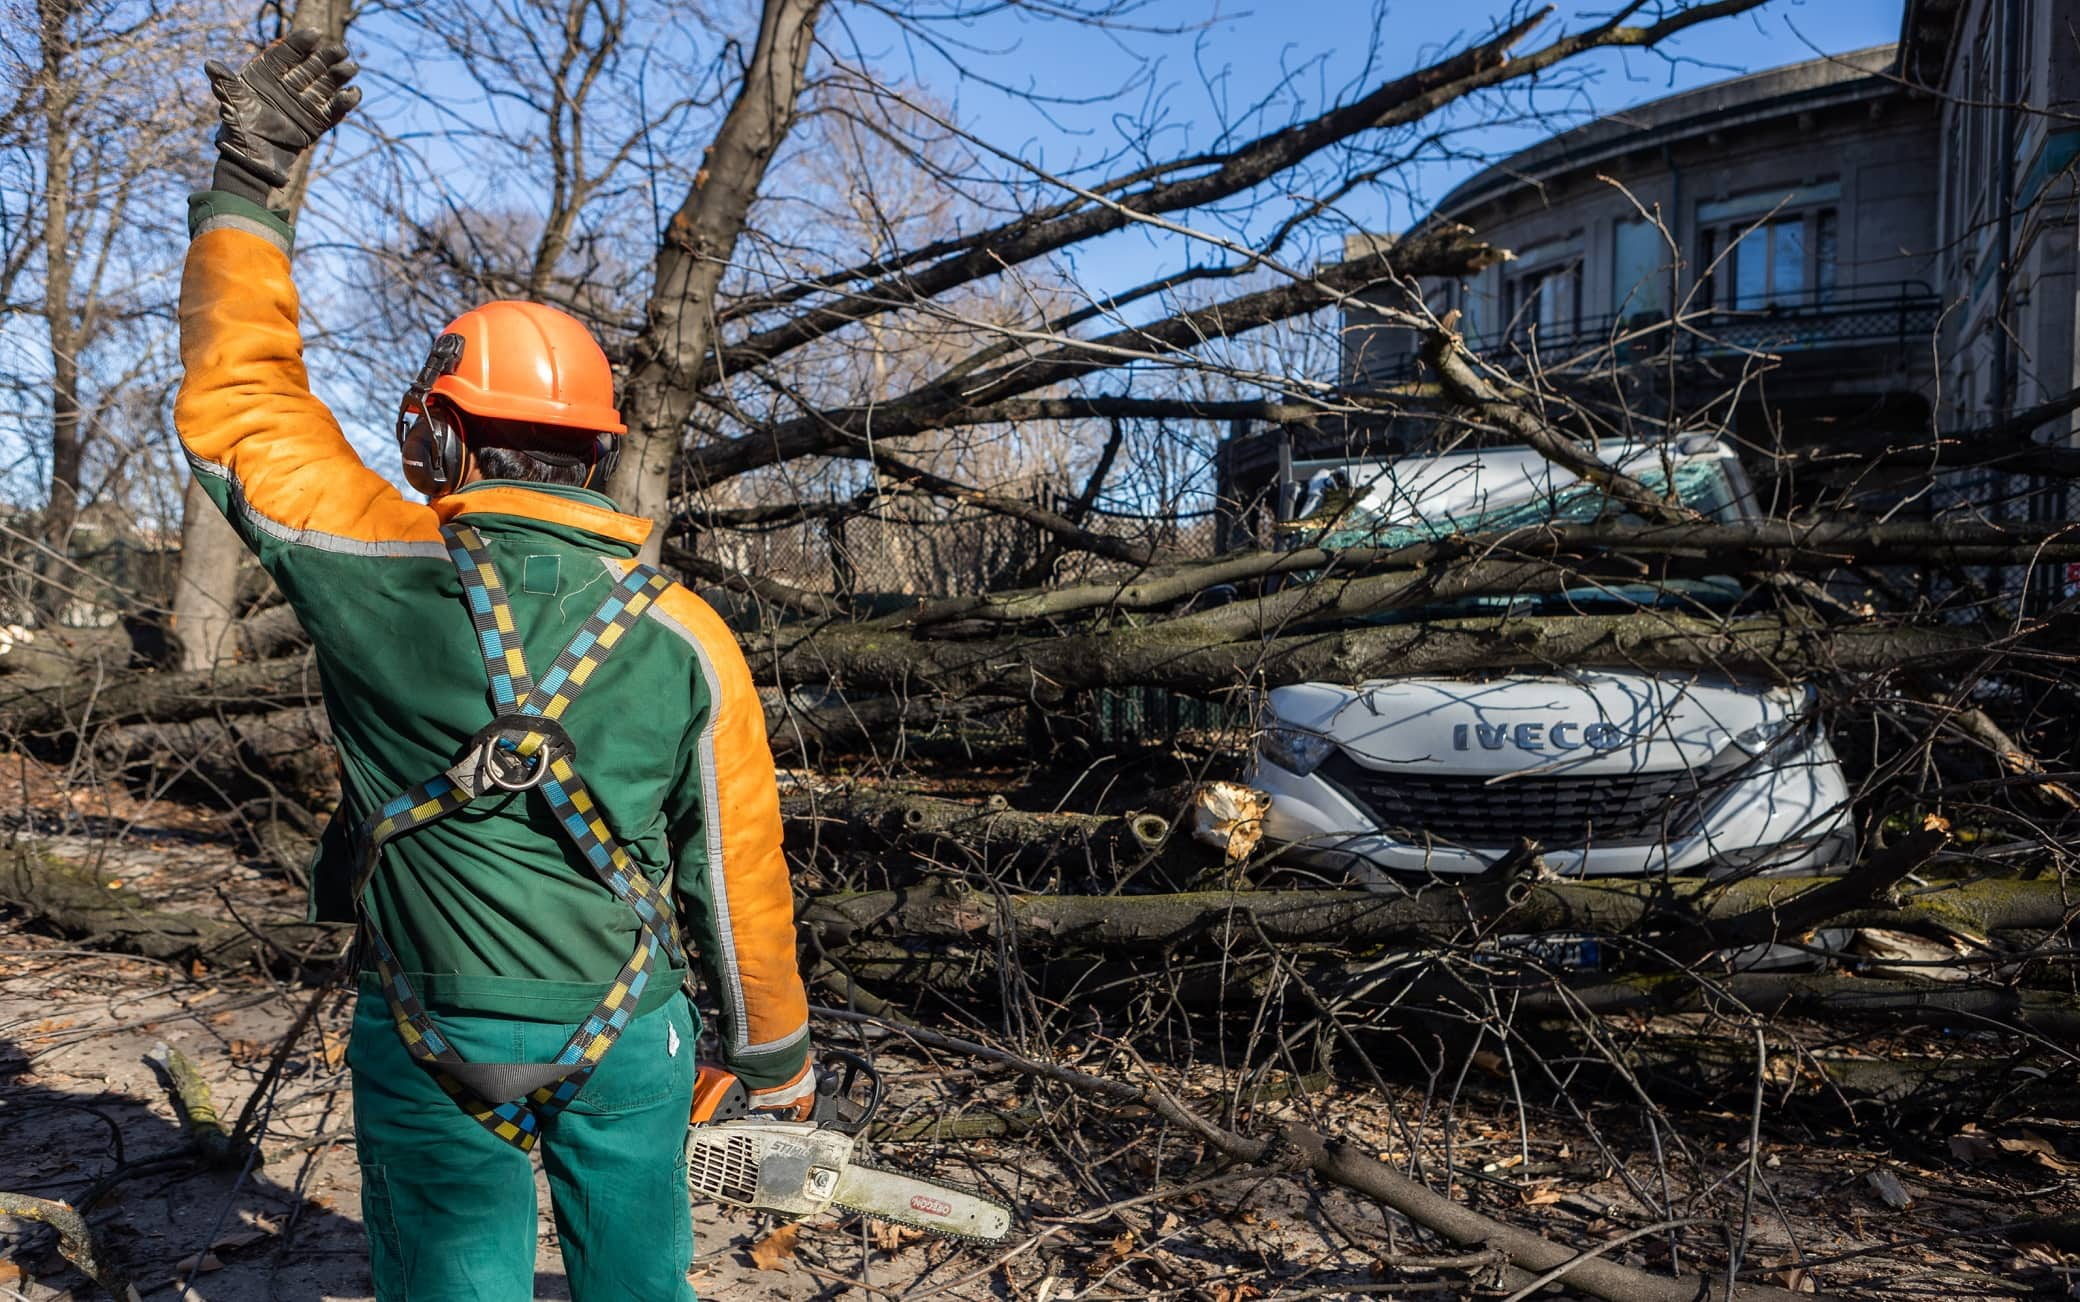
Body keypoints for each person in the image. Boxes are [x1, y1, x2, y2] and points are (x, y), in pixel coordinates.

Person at [176, 32, 813, 1300]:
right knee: (639, 1283)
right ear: (593, 447)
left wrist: (250, 186)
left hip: (427, 1029)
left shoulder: (371, 566)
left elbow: (241, 401)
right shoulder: (688, 633)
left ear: (438, 430)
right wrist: (773, 1060)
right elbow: (735, 874)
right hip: (627, 1028)